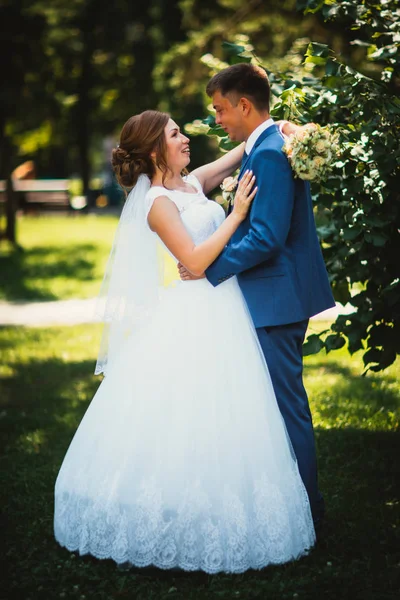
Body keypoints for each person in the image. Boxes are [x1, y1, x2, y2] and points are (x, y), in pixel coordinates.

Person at [54, 110, 316, 574]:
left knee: (239, 409)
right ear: (157, 150)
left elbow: (241, 152)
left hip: (228, 308)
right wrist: (235, 215)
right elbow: (193, 262)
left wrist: (278, 127)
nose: (186, 137)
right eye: (176, 133)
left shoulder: (192, 184)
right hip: (196, 309)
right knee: (189, 409)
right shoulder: (157, 203)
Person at [179, 63, 336, 534]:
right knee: (273, 406)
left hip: (276, 300)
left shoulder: (268, 152)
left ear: (244, 105)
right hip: (272, 296)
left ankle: (308, 512)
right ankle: (289, 505)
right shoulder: (266, 144)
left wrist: (209, 268)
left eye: (222, 109)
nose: (219, 119)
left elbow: (267, 236)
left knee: (286, 407)